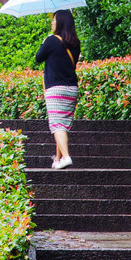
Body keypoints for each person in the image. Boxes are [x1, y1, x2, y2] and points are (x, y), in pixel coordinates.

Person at [36, 9, 81, 169]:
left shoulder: (51, 41)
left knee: (56, 125)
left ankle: (67, 157)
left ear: (60, 22)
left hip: (55, 89)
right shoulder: (75, 43)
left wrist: (44, 43)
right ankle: (58, 159)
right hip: (71, 89)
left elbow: (38, 58)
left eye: (54, 20)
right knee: (61, 124)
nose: (52, 22)